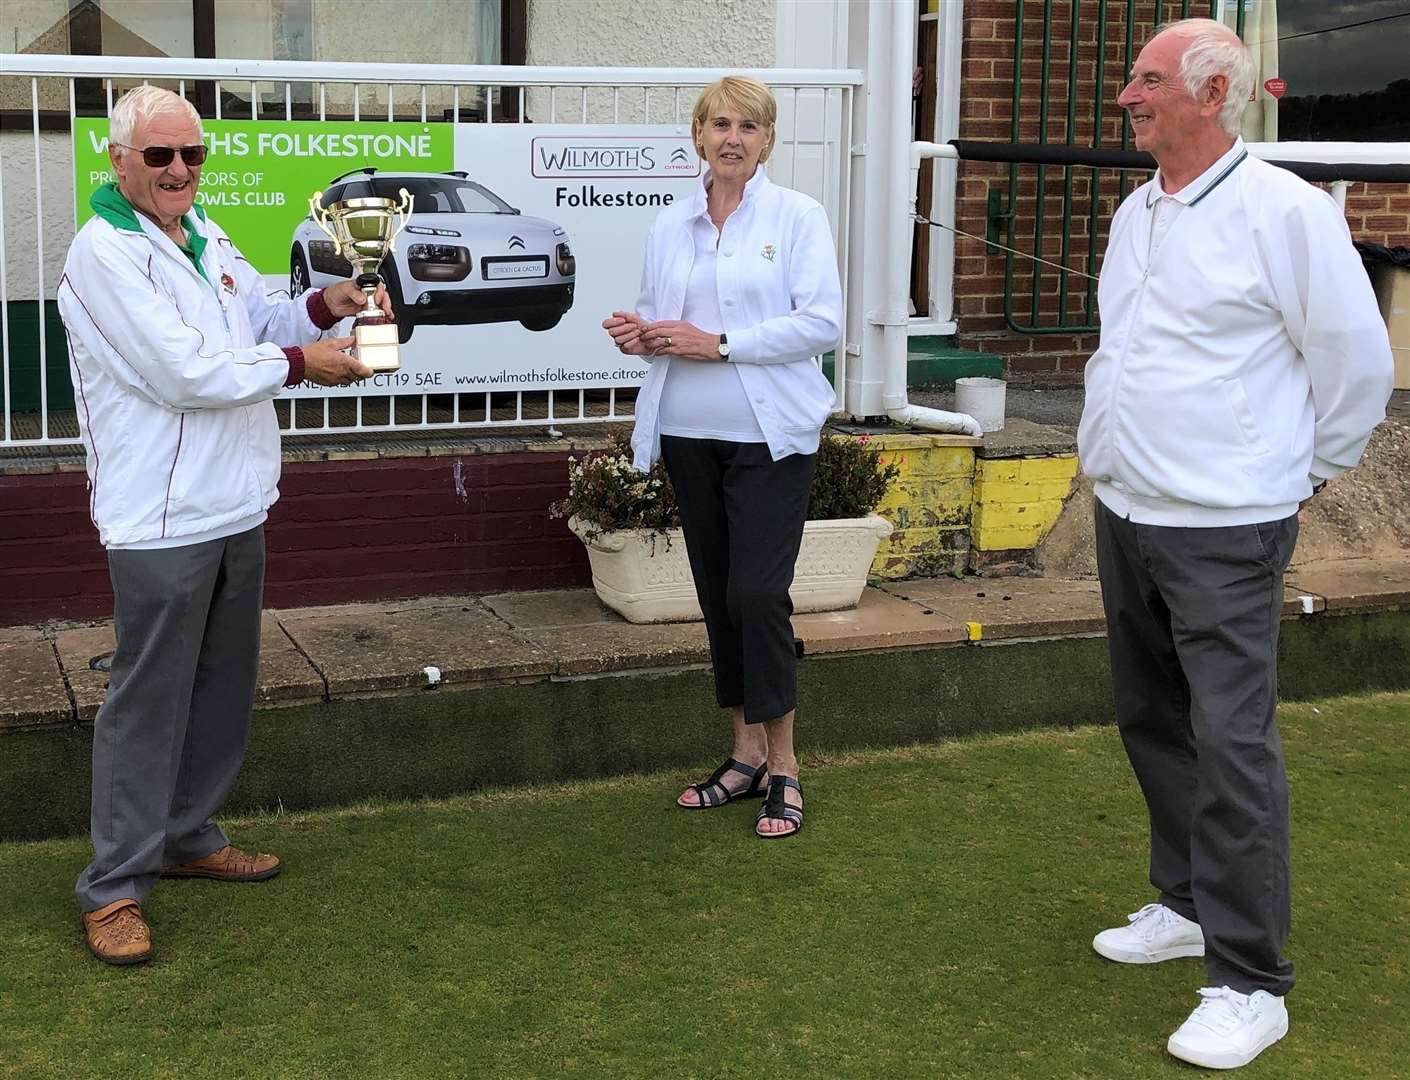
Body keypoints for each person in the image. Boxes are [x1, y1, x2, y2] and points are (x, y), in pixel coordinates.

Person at [1077, 18, 1394, 1070]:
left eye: (1149, 80)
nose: (1129, 95)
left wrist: (1297, 476)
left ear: (1213, 95)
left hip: (1226, 528)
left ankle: (1251, 981)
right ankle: (1188, 904)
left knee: (1231, 741)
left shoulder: (1289, 214)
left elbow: (1353, 364)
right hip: (1128, 511)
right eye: (1133, 78)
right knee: (1151, 717)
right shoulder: (1136, 211)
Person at [58, 85, 386, 966]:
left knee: (221, 687)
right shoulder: (104, 253)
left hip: (237, 501)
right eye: (159, 156)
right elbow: (183, 372)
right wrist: (299, 363)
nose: (177, 171)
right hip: (159, 516)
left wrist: (328, 306)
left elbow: (256, 316)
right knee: (147, 702)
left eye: (191, 156)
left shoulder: (199, 236)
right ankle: (114, 886)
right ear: (118, 160)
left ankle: (187, 834)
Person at [602, 76, 842, 839]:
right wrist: (644, 333)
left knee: (757, 597)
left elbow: (822, 323)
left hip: (768, 439)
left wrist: (721, 344)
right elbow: (665, 316)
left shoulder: (797, 217)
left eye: (747, 125)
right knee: (716, 593)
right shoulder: (672, 222)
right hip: (688, 434)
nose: (731, 137)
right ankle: (741, 756)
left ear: (767, 139)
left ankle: (786, 767)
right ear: (698, 134)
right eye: (717, 124)